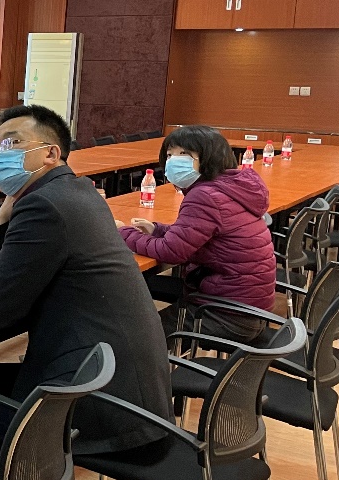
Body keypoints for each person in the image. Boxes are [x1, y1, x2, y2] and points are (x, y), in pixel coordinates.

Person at [0, 104, 173, 461]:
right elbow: (23, 281)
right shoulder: (78, 192)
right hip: (124, 388)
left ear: (51, 153)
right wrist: (6, 215)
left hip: (102, 408)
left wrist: (7, 218)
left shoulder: (45, 205)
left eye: (12, 143)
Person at [116, 125, 275, 344]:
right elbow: (194, 235)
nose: (173, 161)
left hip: (225, 315)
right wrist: (157, 230)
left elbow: (171, 251)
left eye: (184, 154)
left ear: (209, 158)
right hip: (248, 309)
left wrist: (121, 232)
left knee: (132, 339)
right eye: (169, 155)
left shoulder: (205, 196)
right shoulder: (228, 188)